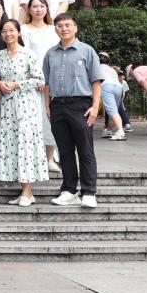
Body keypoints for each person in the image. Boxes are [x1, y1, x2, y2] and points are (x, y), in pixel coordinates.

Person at [42, 13, 102, 208]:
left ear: (75, 28)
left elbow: (96, 80)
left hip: (81, 105)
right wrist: (48, 107)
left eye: (68, 25)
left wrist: (95, 107)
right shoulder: (51, 53)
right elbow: (46, 83)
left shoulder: (87, 51)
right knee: (65, 150)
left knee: (85, 149)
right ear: (56, 29)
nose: (64, 29)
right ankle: (69, 190)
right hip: (57, 105)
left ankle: (89, 192)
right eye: (60, 26)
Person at [0, 19, 48, 205]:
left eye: (11, 30)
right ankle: (25, 192)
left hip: (26, 105)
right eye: (4, 31)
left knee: (26, 144)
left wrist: (17, 84)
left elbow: (39, 79)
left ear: (18, 32)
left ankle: (27, 191)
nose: (8, 34)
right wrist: (0, 84)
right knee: (12, 145)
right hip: (7, 106)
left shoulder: (28, 54)